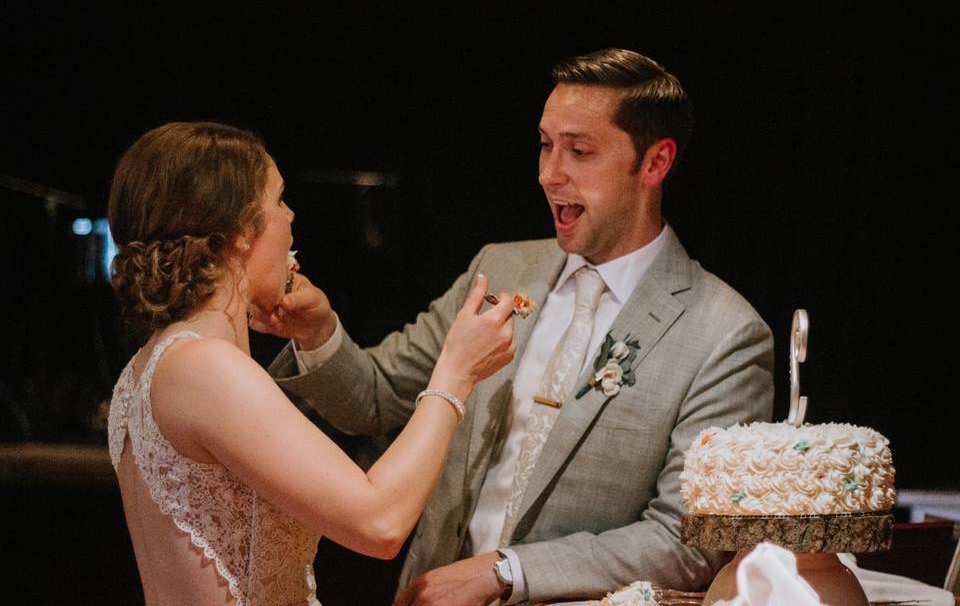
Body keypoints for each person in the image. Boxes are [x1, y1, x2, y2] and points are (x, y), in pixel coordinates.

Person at [263, 48, 775, 605]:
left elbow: (688, 539)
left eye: (580, 151)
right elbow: (379, 397)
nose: (549, 174)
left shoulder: (725, 333)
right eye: (545, 144)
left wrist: (504, 572)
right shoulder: (500, 269)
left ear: (655, 163)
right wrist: (317, 333)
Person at [106, 121, 516, 605]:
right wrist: (457, 371)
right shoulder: (206, 367)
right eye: (278, 200)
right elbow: (380, 522)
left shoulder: (148, 364)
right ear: (238, 234)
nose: (291, 215)